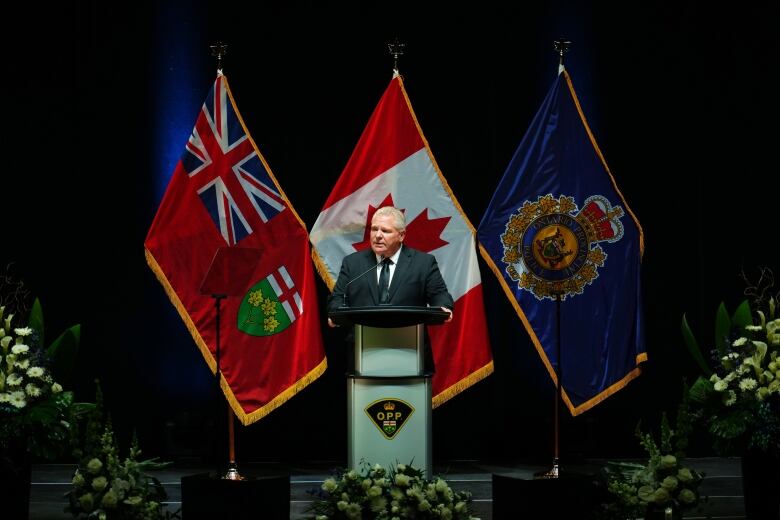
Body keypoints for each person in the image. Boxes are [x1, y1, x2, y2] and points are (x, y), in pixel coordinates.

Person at [327, 206, 453, 371]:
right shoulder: (353, 263)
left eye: (385, 231)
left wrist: (445, 306)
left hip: (410, 352)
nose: (378, 236)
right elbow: (337, 298)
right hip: (363, 355)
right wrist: (335, 313)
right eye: (374, 229)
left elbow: (439, 295)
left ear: (401, 235)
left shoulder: (423, 263)